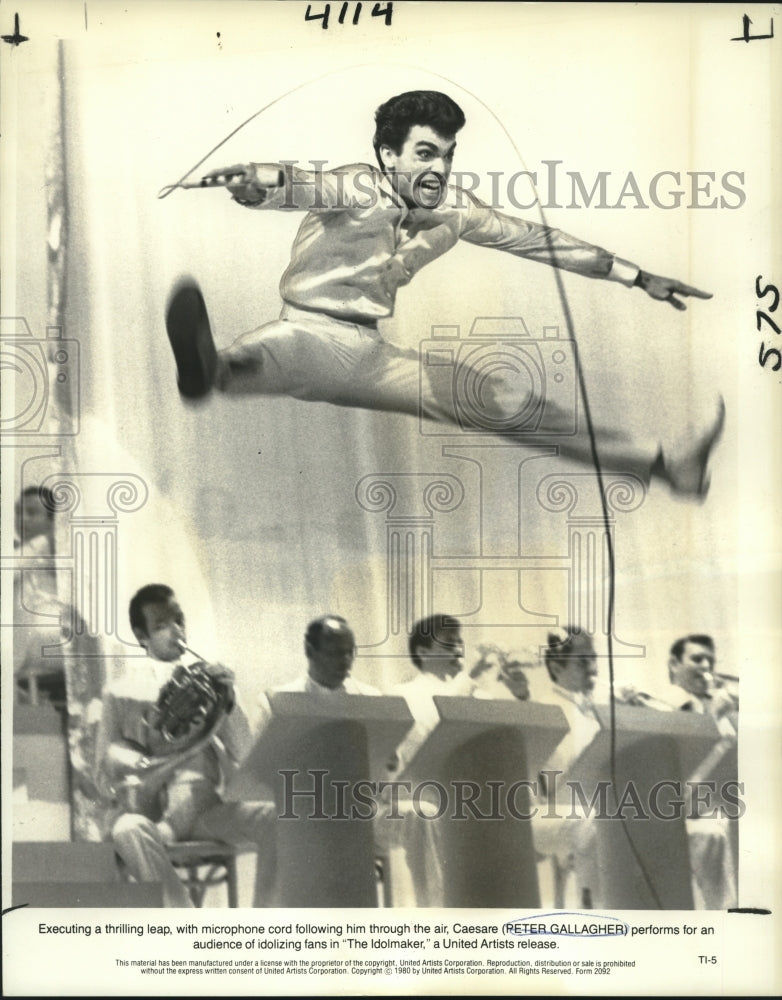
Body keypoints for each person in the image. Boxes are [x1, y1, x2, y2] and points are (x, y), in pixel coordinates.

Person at [165, 89, 724, 499]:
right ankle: (212, 367)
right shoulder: (356, 184)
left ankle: (667, 465)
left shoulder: (455, 212)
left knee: (502, 402)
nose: (440, 168)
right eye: (426, 153)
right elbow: (299, 183)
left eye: (448, 154)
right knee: (265, 353)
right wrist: (255, 181)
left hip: (370, 355)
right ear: (389, 155)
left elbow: (535, 240)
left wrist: (635, 275)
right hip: (307, 330)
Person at [96, 584, 275, 907]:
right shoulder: (119, 691)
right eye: (162, 625)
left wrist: (230, 702)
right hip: (155, 814)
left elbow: (246, 753)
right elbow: (102, 771)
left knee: (277, 818)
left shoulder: (210, 683)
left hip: (206, 812)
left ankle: (264, 923)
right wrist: (138, 766)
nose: (176, 631)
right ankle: (186, 925)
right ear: (141, 636)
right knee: (126, 830)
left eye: (179, 621)